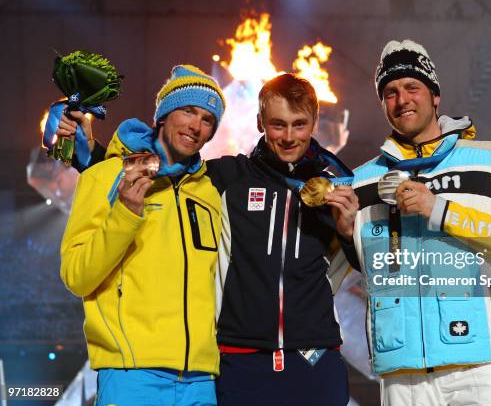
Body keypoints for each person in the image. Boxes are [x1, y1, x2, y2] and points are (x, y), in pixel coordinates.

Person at [60, 73, 360, 406]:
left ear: (314, 123)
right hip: (233, 363)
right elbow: (155, 172)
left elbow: (359, 267)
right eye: (278, 124)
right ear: (260, 123)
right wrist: (94, 158)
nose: (289, 136)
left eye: (299, 124)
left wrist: (349, 233)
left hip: (306, 362)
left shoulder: (335, 187)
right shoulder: (226, 177)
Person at [349, 39, 491, 405]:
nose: (402, 99)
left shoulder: (487, 157)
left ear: (435, 96)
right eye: (390, 92)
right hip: (401, 370)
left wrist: (439, 209)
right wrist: (343, 232)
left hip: (482, 364)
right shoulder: (362, 180)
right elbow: (348, 267)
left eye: (412, 87)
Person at [60, 64, 225, 406]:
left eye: (207, 119)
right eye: (188, 110)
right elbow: (76, 276)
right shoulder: (104, 177)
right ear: (163, 115)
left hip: (201, 378)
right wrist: (125, 214)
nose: (195, 125)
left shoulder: (210, 192)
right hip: (132, 374)